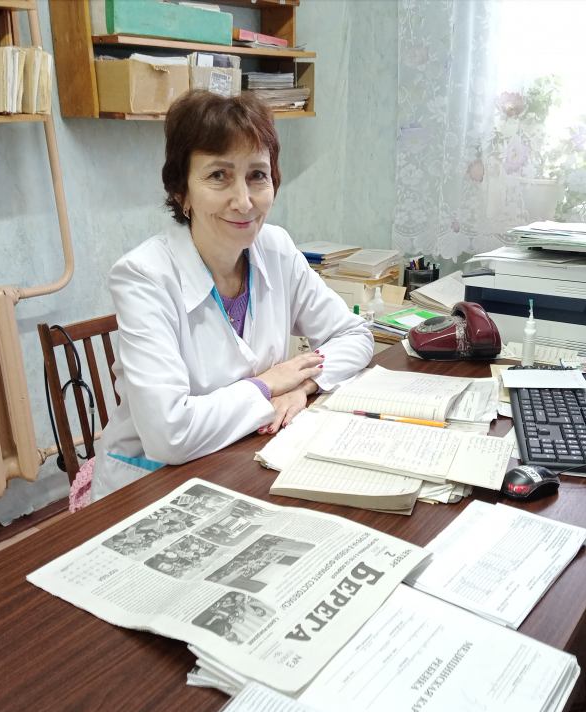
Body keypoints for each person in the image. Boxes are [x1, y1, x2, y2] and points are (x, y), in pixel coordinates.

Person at [92, 91, 374, 500]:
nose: (243, 201)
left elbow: (355, 335)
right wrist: (266, 385)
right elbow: (170, 435)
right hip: (151, 484)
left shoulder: (275, 248)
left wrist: (303, 386)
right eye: (218, 176)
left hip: (243, 461)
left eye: (257, 175)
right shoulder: (144, 276)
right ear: (181, 192)